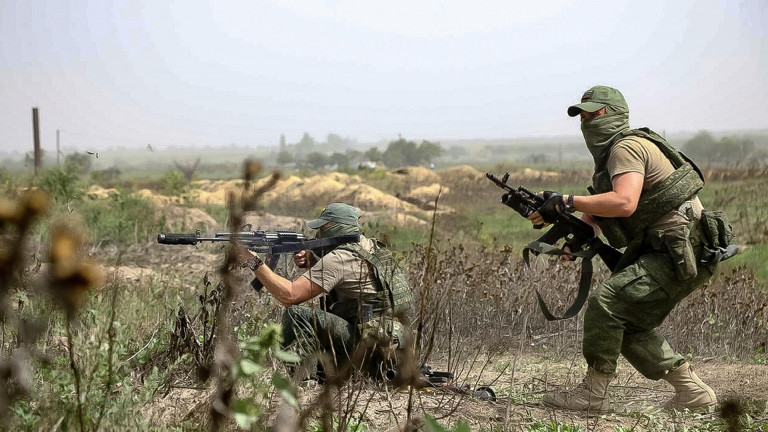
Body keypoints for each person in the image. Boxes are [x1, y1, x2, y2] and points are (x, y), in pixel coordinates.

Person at [528, 85, 726, 412]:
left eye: (594, 113)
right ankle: (692, 392)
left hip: (680, 250)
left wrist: (566, 201)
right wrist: (579, 234)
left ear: (615, 115)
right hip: (676, 250)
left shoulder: (625, 148)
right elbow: (602, 208)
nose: (587, 122)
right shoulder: (614, 156)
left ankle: (594, 394)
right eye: (582, 116)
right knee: (627, 323)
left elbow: (624, 202)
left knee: (606, 304)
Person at [233, 202, 414, 380]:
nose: (318, 233)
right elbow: (350, 279)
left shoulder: (339, 258)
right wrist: (313, 261)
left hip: (367, 354)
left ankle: (304, 380)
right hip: (390, 348)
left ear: (335, 228)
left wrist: (254, 262)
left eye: (322, 227)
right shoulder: (373, 248)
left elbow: (290, 295)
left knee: (296, 314)